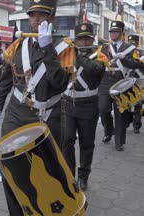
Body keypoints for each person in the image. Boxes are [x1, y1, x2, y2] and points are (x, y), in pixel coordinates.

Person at [0, 0, 74, 215]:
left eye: (41, 15)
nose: (35, 19)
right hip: (16, 114)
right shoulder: (18, 45)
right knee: (10, 167)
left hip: (49, 115)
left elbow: (60, 84)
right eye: (32, 15)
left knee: (50, 171)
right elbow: (5, 81)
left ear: (52, 18)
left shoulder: (64, 46)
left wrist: (47, 48)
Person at [61, 23, 106, 191]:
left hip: (88, 106)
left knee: (87, 144)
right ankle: (68, 176)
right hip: (67, 104)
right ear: (76, 40)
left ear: (92, 39)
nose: (84, 41)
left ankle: (83, 177)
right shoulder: (66, 55)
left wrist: (75, 55)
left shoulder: (100, 55)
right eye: (80, 38)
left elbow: (95, 69)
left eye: (87, 37)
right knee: (66, 142)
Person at [98, 21, 143, 151]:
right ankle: (108, 131)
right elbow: (97, 62)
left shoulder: (130, 49)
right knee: (103, 109)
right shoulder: (103, 47)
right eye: (111, 31)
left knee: (120, 112)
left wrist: (124, 58)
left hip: (121, 81)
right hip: (105, 81)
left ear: (122, 33)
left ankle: (119, 142)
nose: (113, 34)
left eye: (116, 31)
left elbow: (138, 64)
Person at [126, 34, 143, 134]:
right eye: (130, 43)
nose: (131, 44)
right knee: (126, 103)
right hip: (127, 81)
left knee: (137, 104)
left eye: (133, 43)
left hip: (138, 81)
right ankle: (127, 121)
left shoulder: (141, 54)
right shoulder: (125, 53)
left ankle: (136, 125)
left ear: (137, 44)